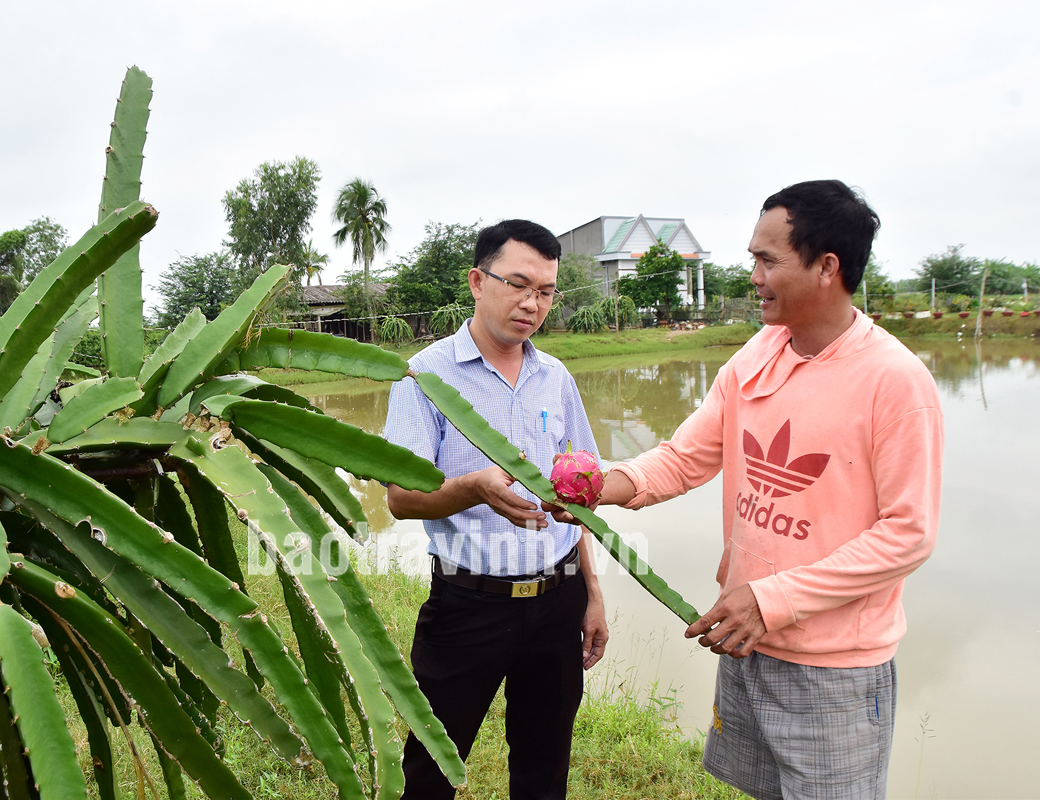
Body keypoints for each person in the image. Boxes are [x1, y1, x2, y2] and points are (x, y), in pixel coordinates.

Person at [585, 181, 942, 799]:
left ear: (826, 267)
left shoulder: (894, 381)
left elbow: (908, 535)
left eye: (768, 260)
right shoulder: (757, 354)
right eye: (753, 258)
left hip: (832, 668)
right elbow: (684, 458)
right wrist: (596, 486)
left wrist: (772, 599)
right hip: (748, 640)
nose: (753, 276)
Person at [383, 219, 609, 800]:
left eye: (547, 291)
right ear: (478, 281)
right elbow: (400, 498)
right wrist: (474, 488)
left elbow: (576, 495)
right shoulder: (423, 376)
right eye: (518, 284)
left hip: (558, 599)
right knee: (431, 769)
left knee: (544, 769)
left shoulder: (555, 377)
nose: (532, 304)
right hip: (468, 605)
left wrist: (592, 592)